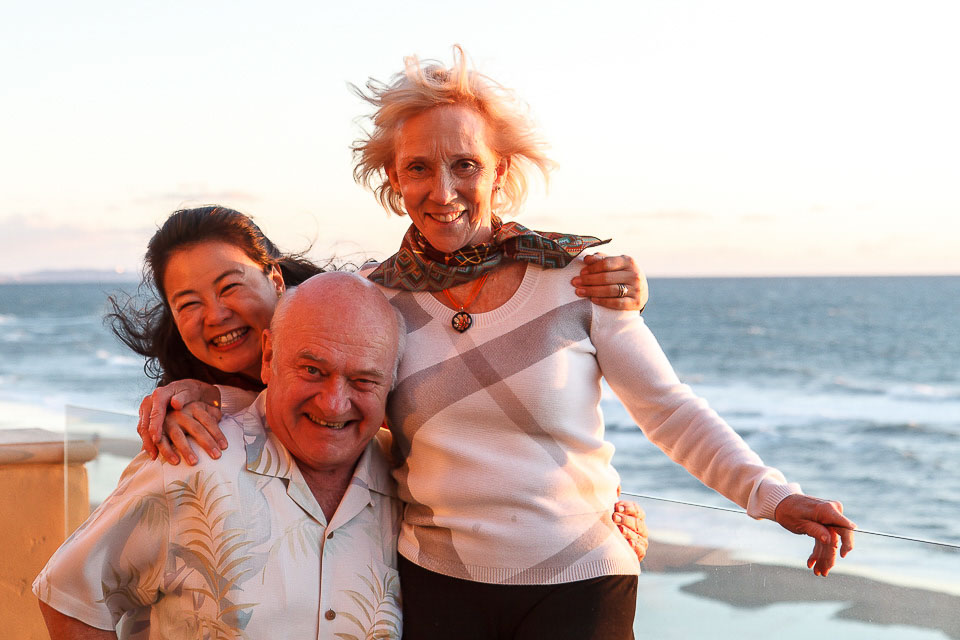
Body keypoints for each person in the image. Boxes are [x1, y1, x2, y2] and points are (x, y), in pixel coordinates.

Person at [144, 47, 855, 640]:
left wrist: (772, 496)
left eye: (465, 164)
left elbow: (667, 408)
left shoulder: (579, 278)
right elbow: (306, 385)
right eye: (418, 167)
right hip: (434, 584)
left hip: (582, 579)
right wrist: (204, 391)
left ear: (500, 173)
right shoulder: (375, 299)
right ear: (394, 179)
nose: (442, 188)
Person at [35, 272, 405, 639]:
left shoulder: (406, 484)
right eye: (312, 370)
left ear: (390, 382)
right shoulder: (189, 464)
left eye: (363, 381)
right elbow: (71, 595)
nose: (334, 403)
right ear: (269, 356)